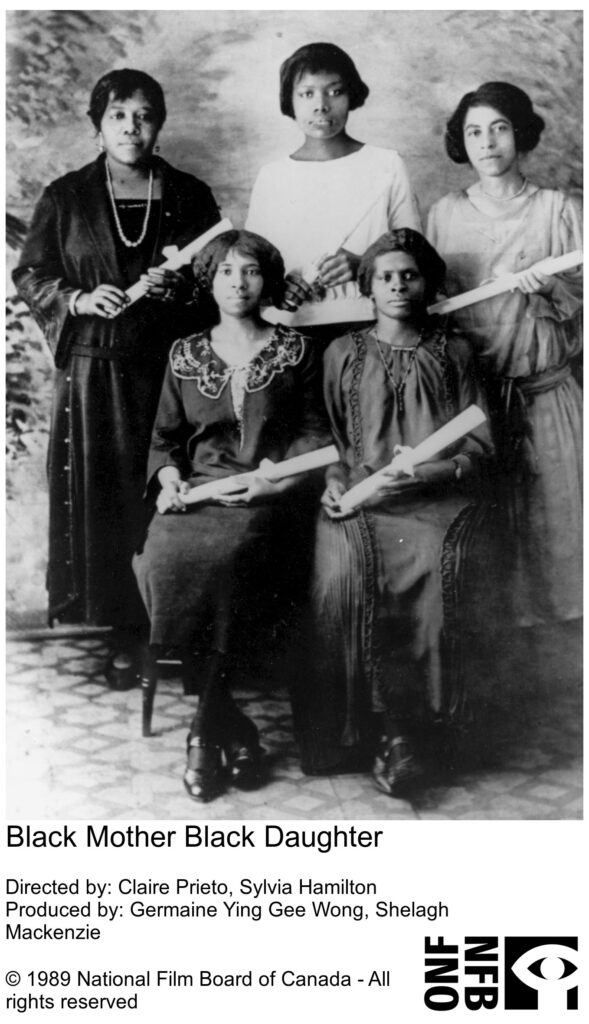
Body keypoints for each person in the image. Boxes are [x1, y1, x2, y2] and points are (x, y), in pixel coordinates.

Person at [13, 69, 220, 681]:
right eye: (118, 116)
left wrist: (179, 283)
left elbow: (216, 275)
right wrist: (77, 300)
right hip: (94, 372)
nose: (132, 128)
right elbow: (30, 275)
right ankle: (125, 632)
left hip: (167, 368)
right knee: (108, 499)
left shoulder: (188, 194)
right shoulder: (67, 195)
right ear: (98, 124)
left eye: (145, 115)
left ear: (161, 122)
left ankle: (176, 626)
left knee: (168, 491)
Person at [133, 230, 329, 802]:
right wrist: (170, 480)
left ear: (268, 279)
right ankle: (233, 727)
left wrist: (275, 481)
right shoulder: (184, 352)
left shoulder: (296, 350)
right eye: (225, 272)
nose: (238, 283)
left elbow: (317, 433)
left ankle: (202, 734)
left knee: (233, 560)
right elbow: (165, 439)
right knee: (160, 558)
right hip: (196, 496)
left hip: (265, 498)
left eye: (250, 271)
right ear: (209, 280)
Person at [296, 229, 493, 797]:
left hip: (436, 501)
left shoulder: (454, 353)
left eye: (410, 275)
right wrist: (335, 485)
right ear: (369, 287)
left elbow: (478, 449)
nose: (399, 285)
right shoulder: (342, 353)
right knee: (346, 572)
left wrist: (423, 472)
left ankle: (424, 729)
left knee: (438, 565)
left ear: (428, 282)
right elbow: (330, 444)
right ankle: (378, 728)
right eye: (386, 276)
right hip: (362, 500)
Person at [427, 82, 582, 626]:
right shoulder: (444, 214)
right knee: (486, 551)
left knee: (557, 545)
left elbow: (582, 305)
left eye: (499, 128)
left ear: (520, 133)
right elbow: (430, 306)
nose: (487, 142)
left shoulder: (559, 210)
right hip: (475, 407)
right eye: (474, 131)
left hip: (545, 398)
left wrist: (548, 290)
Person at [246, 41, 421, 339]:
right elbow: (252, 264)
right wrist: (278, 288)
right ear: (290, 100)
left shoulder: (386, 164)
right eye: (307, 93)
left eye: (335, 91)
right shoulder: (271, 176)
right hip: (290, 328)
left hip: (373, 324)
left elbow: (416, 255)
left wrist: (365, 265)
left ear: (351, 94)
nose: (321, 105)